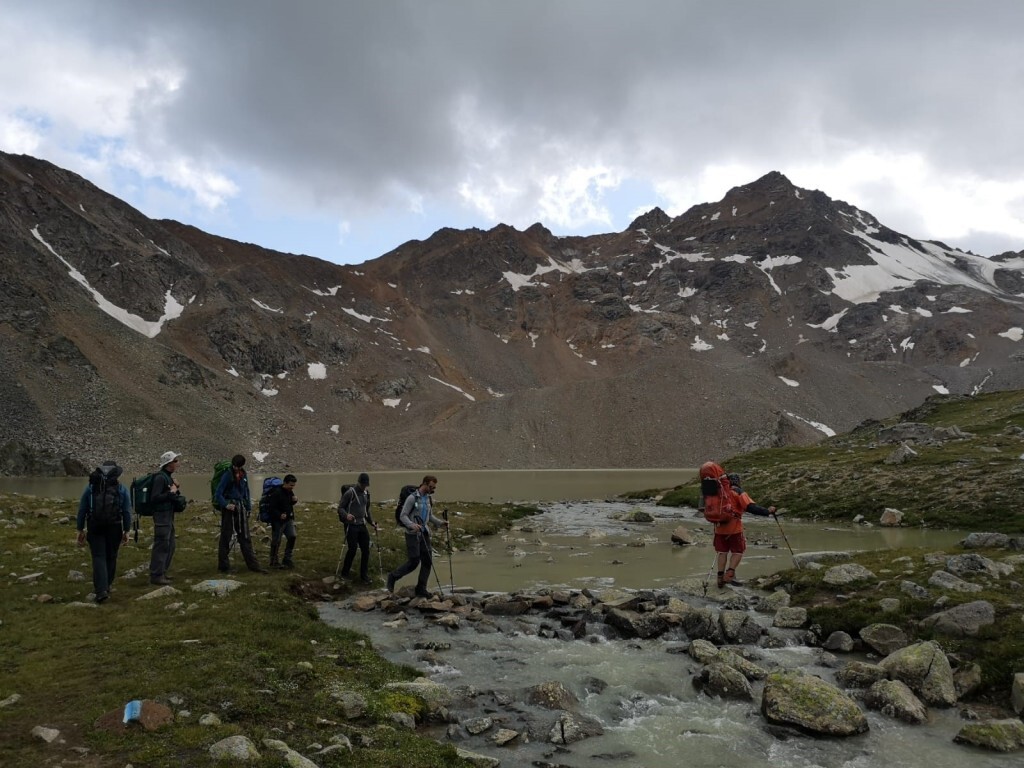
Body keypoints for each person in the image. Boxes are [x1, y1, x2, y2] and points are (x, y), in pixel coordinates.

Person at [699, 462, 778, 588]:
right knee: (738, 551)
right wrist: (767, 511)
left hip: (719, 528)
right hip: (734, 529)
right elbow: (751, 507)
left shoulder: (716, 492)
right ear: (738, 481)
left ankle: (719, 577)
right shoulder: (737, 492)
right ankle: (729, 575)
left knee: (722, 552)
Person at [76, 460, 133, 603]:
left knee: (98, 556)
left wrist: (80, 529)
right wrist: (127, 530)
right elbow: (126, 511)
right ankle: (107, 586)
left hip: (94, 525)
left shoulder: (91, 487)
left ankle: (100, 590)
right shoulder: (121, 489)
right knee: (111, 556)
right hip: (114, 526)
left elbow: (82, 509)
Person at [386, 475, 448, 597]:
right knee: (414, 560)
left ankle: (421, 588)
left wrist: (441, 523)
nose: (432, 489)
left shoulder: (428, 499)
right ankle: (393, 576)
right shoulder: (412, 498)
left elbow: (429, 516)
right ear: (424, 484)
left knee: (427, 560)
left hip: (424, 532)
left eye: (434, 487)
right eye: (431, 487)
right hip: (412, 533)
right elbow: (403, 516)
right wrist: (411, 525)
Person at [214, 454, 267, 573]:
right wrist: (226, 504)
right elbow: (218, 493)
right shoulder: (227, 474)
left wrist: (248, 507)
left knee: (245, 536)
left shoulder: (243, 474)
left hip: (241, 508)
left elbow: (246, 491)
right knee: (226, 536)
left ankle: (253, 566)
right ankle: (224, 566)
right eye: (235, 466)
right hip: (229, 509)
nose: (236, 468)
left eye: (238, 466)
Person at [149, 451, 186, 585]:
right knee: (162, 545)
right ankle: (156, 575)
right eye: (175, 461)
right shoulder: (160, 478)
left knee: (170, 545)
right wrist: (171, 493)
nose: (178, 463)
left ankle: (162, 572)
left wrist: (176, 488)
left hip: (167, 516)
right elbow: (155, 498)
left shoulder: (167, 477)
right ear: (168, 464)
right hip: (161, 517)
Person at [338, 472, 378, 583]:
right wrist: (347, 515)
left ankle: (364, 575)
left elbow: (367, 510)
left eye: (366, 485)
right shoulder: (350, 493)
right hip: (351, 525)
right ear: (359, 482)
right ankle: (344, 573)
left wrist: (372, 522)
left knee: (366, 550)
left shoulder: (366, 493)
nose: (364, 487)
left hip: (362, 524)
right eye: (362, 484)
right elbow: (340, 508)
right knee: (352, 549)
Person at [267, 473, 298, 568]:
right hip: (278, 521)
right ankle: (273, 561)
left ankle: (287, 559)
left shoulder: (289, 492)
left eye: (293, 485)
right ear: (285, 483)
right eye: (291, 485)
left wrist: (294, 500)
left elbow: (290, 503)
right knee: (277, 540)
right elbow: (271, 508)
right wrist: (279, 515)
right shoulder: (276, 492)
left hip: (288, 519)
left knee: (292, 536)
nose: (292, 487)